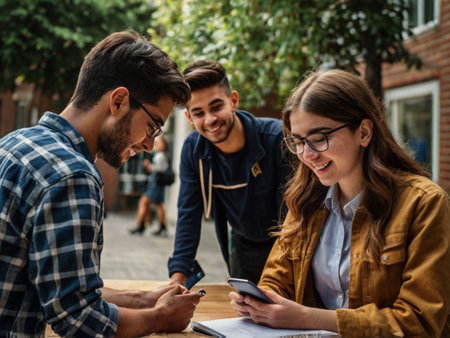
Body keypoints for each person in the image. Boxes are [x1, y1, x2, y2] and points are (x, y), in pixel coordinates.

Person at [0, 31, 204, 337]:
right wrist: (158, 319)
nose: (149, 144)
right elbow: (79, 319)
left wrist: (143, 300)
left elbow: (57, 287)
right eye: (153, 126)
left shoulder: (14, 143)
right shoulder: (73, 176)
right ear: (119, 101)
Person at [229, 69, 450, 337]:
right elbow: (277, 279)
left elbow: (419, 322)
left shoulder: (424, 204)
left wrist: (308, 317)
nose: (307, 155)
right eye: (298, 142)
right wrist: (260, 302)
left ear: (364, 132)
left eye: (320, 138)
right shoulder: (304, 201)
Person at [168, 60, 292, 286]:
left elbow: (293, 219)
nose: (210, 120)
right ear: (189, 118)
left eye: (216, 107)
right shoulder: (193, 150)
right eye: (198, 113)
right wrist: (178, 279)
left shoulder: (277, 139)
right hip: (242, 249)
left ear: (233, 101)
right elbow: (188, 215)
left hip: (288, 249)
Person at [130, 135, 170, 237]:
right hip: (158, 184)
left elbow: (158, 169)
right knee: (158, 204)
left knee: (143, 202)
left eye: (159, 142)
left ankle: (140, 225)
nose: (157, 144)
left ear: (164, 145)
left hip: (155, 183)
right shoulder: (163, 155)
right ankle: (162, 226)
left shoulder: (160, 155)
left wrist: (148, 166)